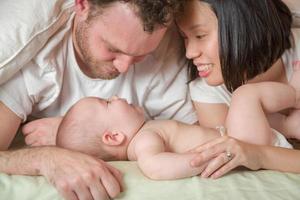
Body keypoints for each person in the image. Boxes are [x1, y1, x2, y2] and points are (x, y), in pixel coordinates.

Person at [0, 0, 197, 199]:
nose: (123, 68)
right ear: (82, 5)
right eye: (113, 49)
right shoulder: (34, 54)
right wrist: (47, 158)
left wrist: (68, 133)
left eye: (140, 56)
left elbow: (200, 137)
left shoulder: (165, 51)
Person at [176, 0, 300, 179]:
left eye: (200, 35)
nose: (190, 52)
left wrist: (261, 154)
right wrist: (262, 153)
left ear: (244, 26)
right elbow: (239, 157)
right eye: (185, 37)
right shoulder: (208, 92)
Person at [49, 96, 220, 180]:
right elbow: (155, 167)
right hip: (227, 144)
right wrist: (208, 158)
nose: (116, 97)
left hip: (228, 136)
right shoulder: (144, 140)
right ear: (114, 137)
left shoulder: (145, 132)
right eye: (108, 102)